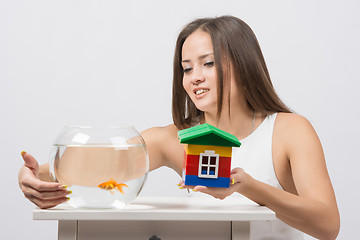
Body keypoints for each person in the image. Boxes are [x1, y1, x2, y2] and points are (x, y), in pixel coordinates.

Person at [18, 15, 340, 239]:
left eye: (208, 63)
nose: (194, 77)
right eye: (187, 68)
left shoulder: (290, 131)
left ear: (243, 65)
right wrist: (36, 175)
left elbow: (327, 225)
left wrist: (248, 186)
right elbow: (99, 163)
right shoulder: (173, 140)